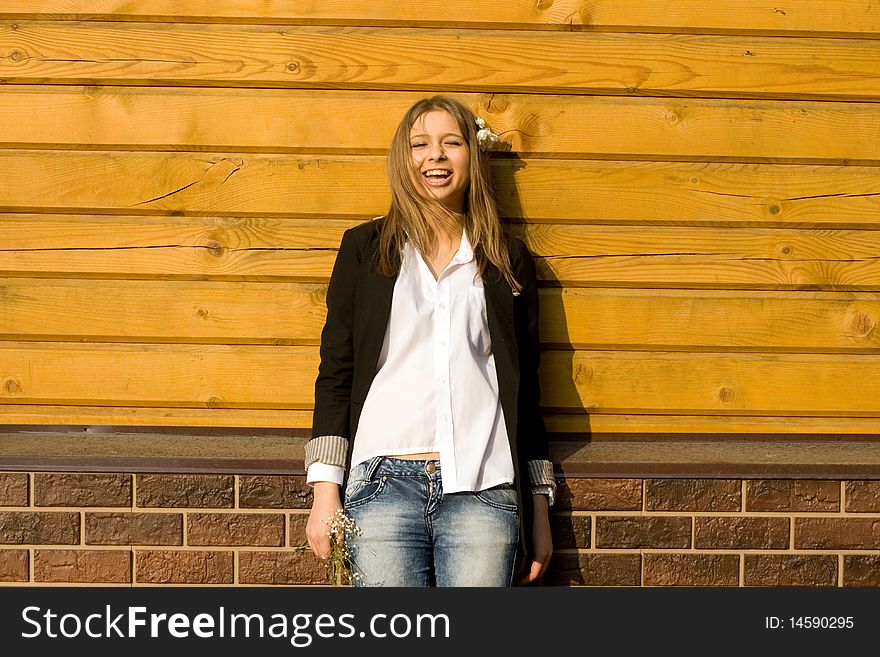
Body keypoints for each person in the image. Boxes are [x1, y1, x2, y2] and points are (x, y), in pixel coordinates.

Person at [304, 95, 556, 586]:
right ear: (404, 159)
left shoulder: (507, 260)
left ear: (472, 156)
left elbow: (527, 393)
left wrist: (539, 510)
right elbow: (336, 371)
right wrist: (324, 491)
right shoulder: (364, 250)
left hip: (483, 490)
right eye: (420, 144)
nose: (435, 156)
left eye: (451, 143)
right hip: (380, 489)